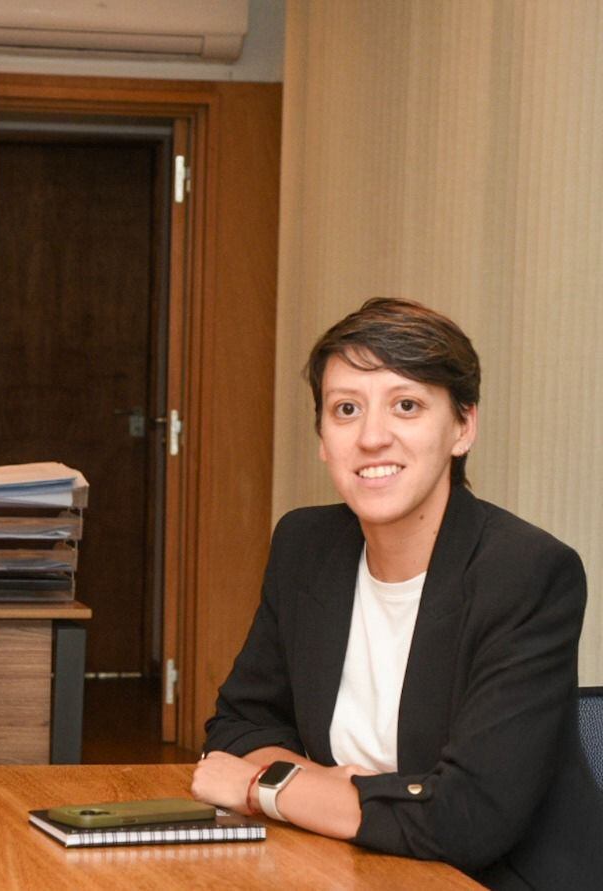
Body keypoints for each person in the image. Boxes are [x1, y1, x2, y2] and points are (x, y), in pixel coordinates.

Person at [193, 298, 603, 890]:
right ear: (322, 439)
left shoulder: (527, 572)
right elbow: (239, 727)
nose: (372, 437)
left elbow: (466, 820)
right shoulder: (307, 544)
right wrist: (329, 790)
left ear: (463, 427)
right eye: (346, 409)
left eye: (406, 405)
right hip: (354, 865)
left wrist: (268, 787)